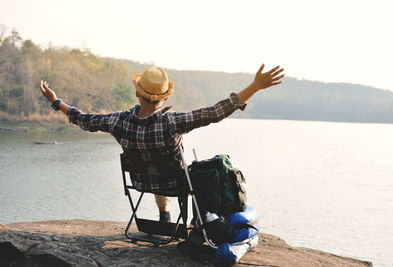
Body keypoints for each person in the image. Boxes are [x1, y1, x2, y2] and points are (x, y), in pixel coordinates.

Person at [39, 64, 284, 222]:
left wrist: (55, 101)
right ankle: (199, 221)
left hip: (141, 182)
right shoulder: (172, 123)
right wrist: (254, 86)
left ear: (137, 92)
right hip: (177, 185)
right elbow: (215, 112)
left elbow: (84, 119)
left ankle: (164, 214)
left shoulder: (119, 122)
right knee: (199, 168)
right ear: (166, 96)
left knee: (153, 161)